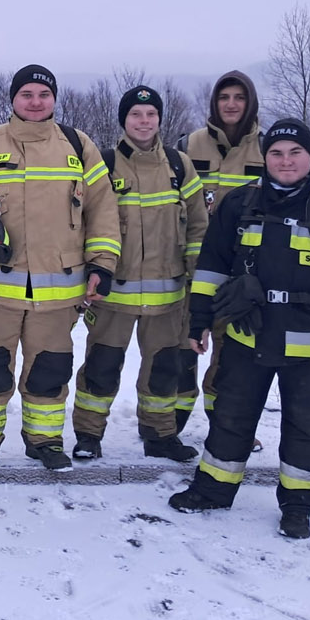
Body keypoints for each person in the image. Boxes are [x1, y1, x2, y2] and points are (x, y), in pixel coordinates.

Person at [169, 119, 310, 539]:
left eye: (294, 153)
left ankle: (298, 506)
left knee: (307, 426)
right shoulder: (240, 204)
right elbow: (211, 265)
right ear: (264, 158)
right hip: (248, 337)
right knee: (230, 417)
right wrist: (200, 321)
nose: (285, 161)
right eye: (276, 153)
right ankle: (213, 489)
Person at [0, 64, 121, 472]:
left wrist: (102, 265)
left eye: (43, 94)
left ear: (54, 99)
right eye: (27, 94)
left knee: (49, 371)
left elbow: (103, 210)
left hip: (59, 294)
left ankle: (45, 441)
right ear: (13, 100)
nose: (35, 102)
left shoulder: (78, 145)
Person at [70, 86, 208, 462]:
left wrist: (198, 285)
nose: (144, 122)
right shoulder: (104, 163)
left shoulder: (180, 166)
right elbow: (83, 223)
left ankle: (160, 436)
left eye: (150, 115)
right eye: (135, 115)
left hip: (169, 299)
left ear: (160, 120)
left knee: (164, 371)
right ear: (124, 120)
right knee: (101, 368)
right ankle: (88, 434)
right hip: (113, 295)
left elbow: (198, 227)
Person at [175, 70, 264, 435]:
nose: (231, 104)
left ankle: (226, 423)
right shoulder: (188, 144)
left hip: (244, 269)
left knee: (233, 354)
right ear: (214, 103)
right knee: (184, 345)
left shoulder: (269, 147)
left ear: (250, 103)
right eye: (224, 97)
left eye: (239, 98)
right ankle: (171, 422)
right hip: (193, 263)